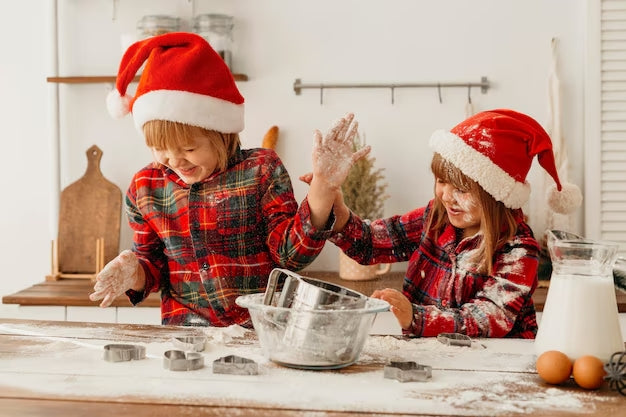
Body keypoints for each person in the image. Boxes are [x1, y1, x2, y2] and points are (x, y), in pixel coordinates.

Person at [89, 32, 366, 327]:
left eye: (189, 148)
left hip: (261, 333)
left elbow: (289, 257)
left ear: (220, 132)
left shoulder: (261, 170)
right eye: (160, 149)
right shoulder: (146, 188)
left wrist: (323, 189)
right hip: (187, 337)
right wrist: (133, 271)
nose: (174, 160)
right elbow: (152, 266)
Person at [304, 109, 582, 338]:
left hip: (494, 365)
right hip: (434, 359)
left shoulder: (518, 250)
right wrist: (335, 208)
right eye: (441, 181)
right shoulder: (435, 218)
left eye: (461, 189)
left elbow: (487, 319)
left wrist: (416, 317)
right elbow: (372, 242)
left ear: (495, 194)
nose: (446, 196)